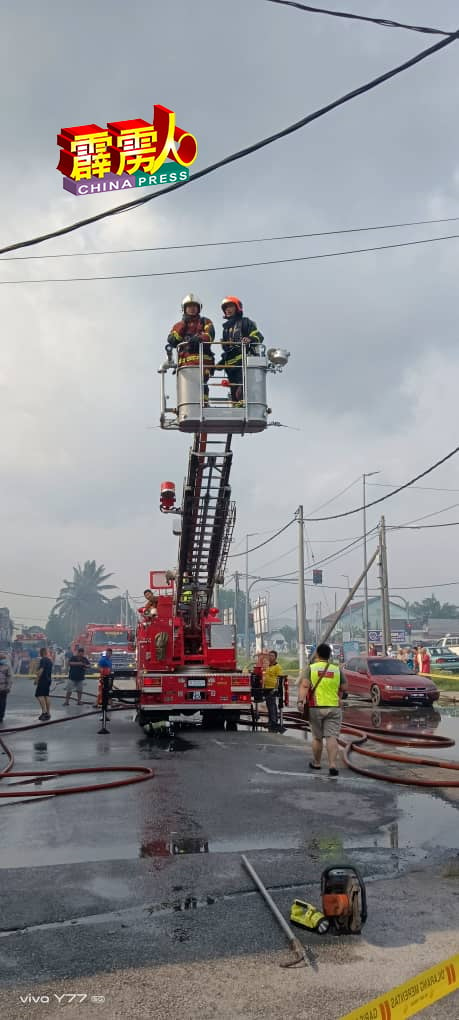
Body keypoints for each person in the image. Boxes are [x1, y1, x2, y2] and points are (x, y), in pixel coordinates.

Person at [297, 641, 346, 778]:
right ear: (330, 655)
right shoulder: (336, 669)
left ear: (317, 654)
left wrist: (300, 701)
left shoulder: (311, 668)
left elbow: (305, 686)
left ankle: (317, 763)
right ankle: (332, 765)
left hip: (316, 707)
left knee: (317, 738)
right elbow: (344, 687)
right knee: (332, 737)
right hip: (334, 707)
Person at [166, 294, 215, 401]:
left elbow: (210, 335)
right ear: (184, 309)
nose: (192, 309)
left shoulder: (205, 322)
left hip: (203, 363)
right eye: (189, 306)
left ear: (199, 308)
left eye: (194, 306)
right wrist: (183, 324)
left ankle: (204, 404)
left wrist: (199, 339)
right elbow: (172, 340)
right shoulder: (179, 325)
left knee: (202, 386)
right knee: (188, 391)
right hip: (185, 365)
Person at [216, 296, 264, 406]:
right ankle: (237, 409)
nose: (228, 309)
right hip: (231, 367)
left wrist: (250, 339)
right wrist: (221, 363)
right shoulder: (226, 329)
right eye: (226, 307)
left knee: (240, 392)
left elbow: (258, 335)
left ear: (237, 308)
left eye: (230, 306)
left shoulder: (245, 322)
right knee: (234, 396)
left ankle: (242, 408)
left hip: (242, 365)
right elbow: (228, 350)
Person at [262, 650, 283, 733]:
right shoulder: (268, 666)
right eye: (269, 655)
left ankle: (274, 722)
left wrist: (276, 688)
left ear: (275, 657)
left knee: (272, 706)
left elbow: (279, 679)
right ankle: (270, 721)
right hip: (266, 688)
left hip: (272, 689)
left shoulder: (277, 667)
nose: (270, 657)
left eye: (272, 656)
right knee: (268, 705)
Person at [35, 646, 53, 721]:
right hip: (48, 680)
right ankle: (48, 713)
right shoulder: (49, 660)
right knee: (46, 695)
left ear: (41, 653)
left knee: (39, 695)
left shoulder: (43, 660)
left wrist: (37, 679)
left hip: (43, 680)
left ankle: (44, 712)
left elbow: (41, 670)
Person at [0, 649, 13, 724]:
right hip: (4, 687)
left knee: (2, 703)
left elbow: (10, 677)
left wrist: (8, 687)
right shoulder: (7, 666)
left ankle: (1, 716)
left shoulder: (7, 666)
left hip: (3, 688)